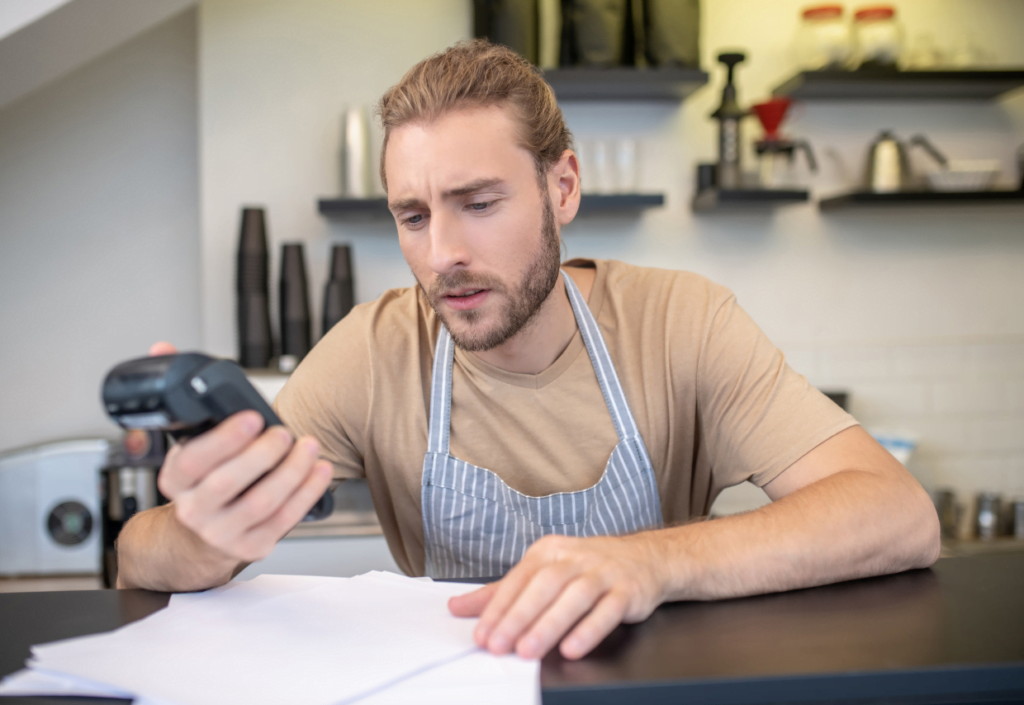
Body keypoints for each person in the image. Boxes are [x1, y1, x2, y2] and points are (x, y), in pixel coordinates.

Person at [116, 40, 940, 661]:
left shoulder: (681, 323)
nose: (442, 254)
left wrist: (650, 562)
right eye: (413, 216)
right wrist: (207, 535)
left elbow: (896, 513)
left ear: (563, 187)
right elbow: (134, 554)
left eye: (478, 203)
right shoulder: (373, 352)